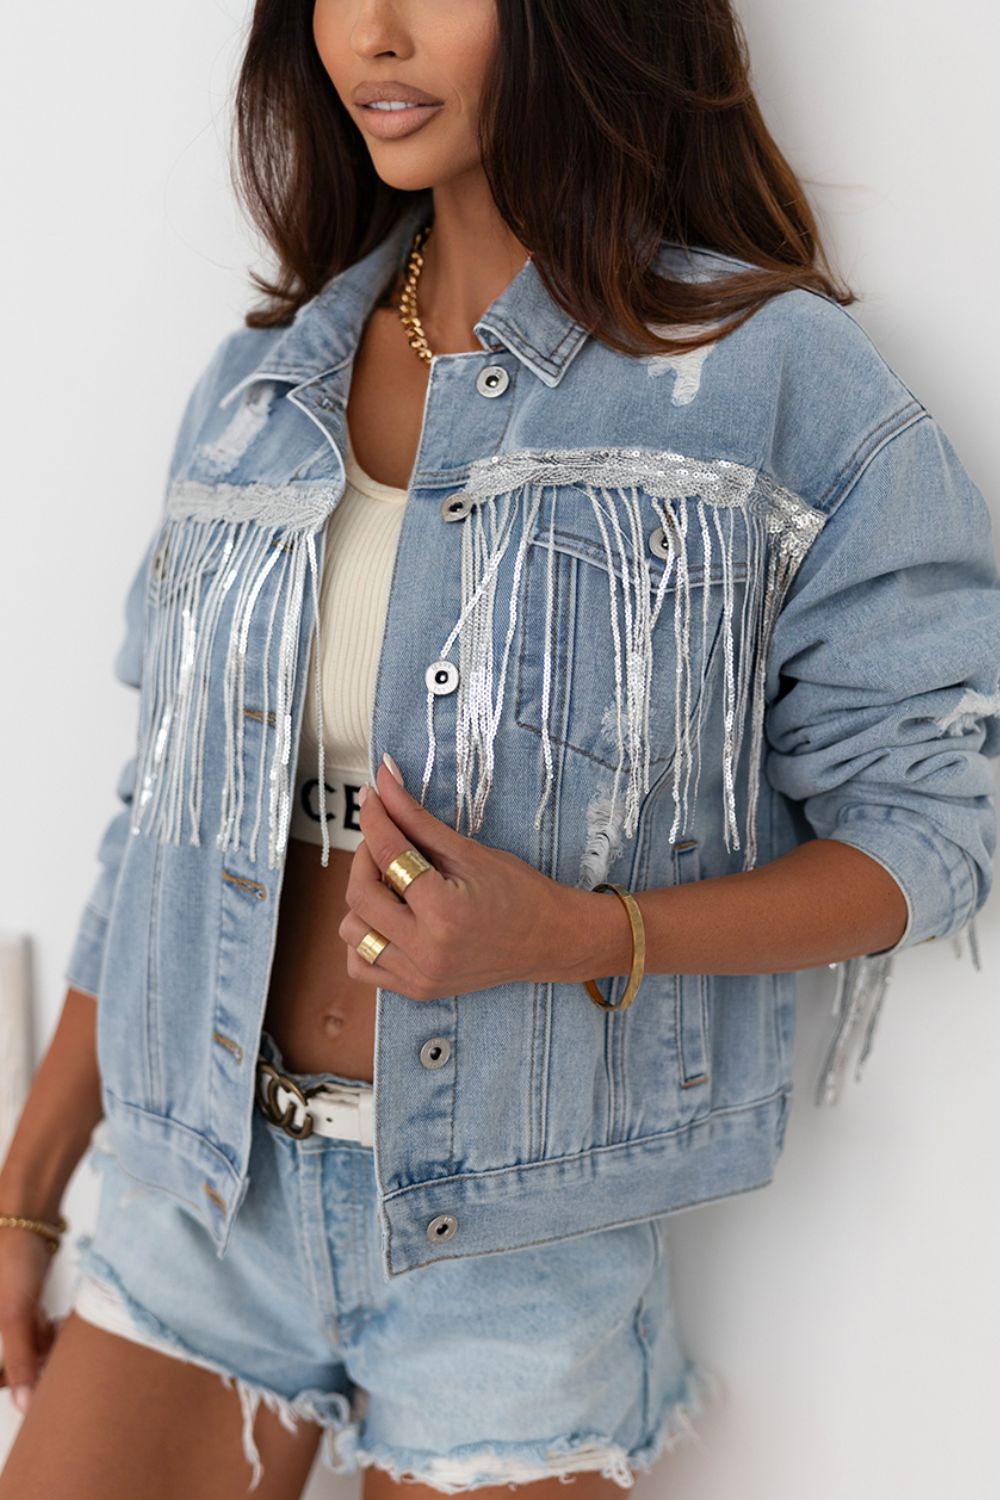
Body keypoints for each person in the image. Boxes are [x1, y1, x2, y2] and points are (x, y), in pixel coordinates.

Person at [2, 2, 999, 1496]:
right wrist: (26, 1194)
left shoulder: (768, 378)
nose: (375, 35)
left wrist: (585, 935)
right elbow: (162, 821)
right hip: (201, 1187)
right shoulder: (264, 385)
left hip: (519, 1245)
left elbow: (936, 830)